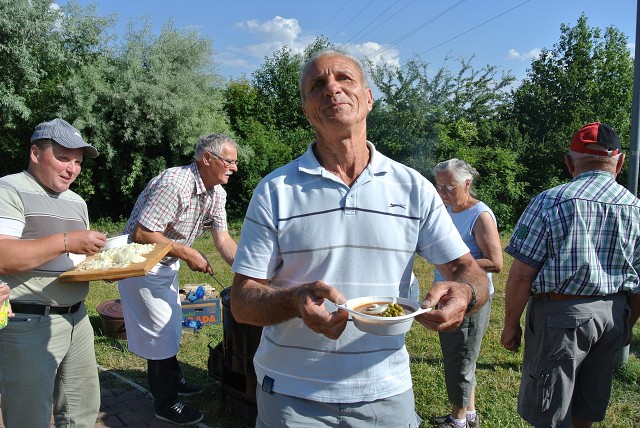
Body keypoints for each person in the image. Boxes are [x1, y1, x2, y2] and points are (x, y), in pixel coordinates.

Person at [230, 49, 489, 428]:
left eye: (344, 78)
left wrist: (466, 294)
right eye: (317, 85)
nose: (331, 88)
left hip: (385, 390)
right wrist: (292, 300)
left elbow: (467, 269)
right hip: (291, 394)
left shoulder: (413, 187)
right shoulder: (275, 190)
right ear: (307, 111)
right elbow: (242, 301)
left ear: (368, 98)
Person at [500, 122, 640, 428]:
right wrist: (628, 324)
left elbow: (522, 275)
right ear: (619, 162)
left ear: (569, 162)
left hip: (562, 318)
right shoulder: (635, 207)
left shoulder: (550, 200)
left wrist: (511, 325)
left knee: (550, 410)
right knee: (587, 403)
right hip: (613, 316)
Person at [118, 133, 238, 425]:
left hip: (165, 262)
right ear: (207, 159)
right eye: (229, 161)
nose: (234, 168)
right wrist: (186, 252)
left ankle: (173, 380)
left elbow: (223, 239)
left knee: (170, 324)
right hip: (140, 263)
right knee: (159, 332)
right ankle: (166, 402)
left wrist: (248, 272)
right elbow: (142, 234)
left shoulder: (216, 193)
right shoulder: (175, 184)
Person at [0, 118, 106, 427]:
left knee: (81, 413)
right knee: (29, 417)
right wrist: (65, 241)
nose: (72, 169)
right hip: (29, 321)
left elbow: (76, 260)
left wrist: (107, 268)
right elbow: (4, 256)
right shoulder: (9, 190)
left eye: (78, 162)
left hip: (78, 318)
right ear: (35, 153)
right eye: (63, 158)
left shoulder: (77, 202)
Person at [432, 159, 503, 428]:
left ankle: (458, 419)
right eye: (439, 186)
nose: (443, 192)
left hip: (470, 298)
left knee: (460, 358)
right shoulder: (445, 210)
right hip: (446, 294)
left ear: (467, 184)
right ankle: (469, 413)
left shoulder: (480, 215)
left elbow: (495, 262)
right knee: (462, 356)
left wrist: (457, 265)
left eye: (449, 186)